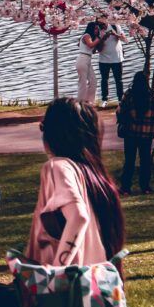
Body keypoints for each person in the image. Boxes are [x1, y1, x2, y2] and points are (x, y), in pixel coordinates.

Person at [27, 97, 125, 268]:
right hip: (94, 284)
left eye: (44, 127)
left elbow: (78, 216)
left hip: (65, 288)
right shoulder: (94, 177)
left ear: (54, 133)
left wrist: (58, 271)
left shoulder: (57, 167)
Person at [116, 71, 154, 195]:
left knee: (129, 160)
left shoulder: (129, 95)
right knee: (145, 160)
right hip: (147, 134)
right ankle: (145, 187)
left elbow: (119, 111)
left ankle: (125, 188)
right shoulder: (153, 96)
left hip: (131, 133)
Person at [96, 19, 126, 107]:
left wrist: (115, 34)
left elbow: (124, 39)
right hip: (104, 59)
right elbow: (98, 49)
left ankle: (120, 99)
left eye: (103, 24)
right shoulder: (98, 30)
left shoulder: (115, 26)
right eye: (100, 25)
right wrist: (103, 38)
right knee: (104, 80)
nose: (103, 27)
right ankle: (104, 100)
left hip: (117, 59)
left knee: (119, 80)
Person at [76, 22, 101, 104]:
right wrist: (99, 39)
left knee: (93, 81)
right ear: (91, 28)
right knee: (82, 82)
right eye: (95, 28)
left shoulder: (90, 37)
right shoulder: (87, 35)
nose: (97, 30)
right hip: (82, 59)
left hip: (88, 59)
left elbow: (92, 50)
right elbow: (90, 45)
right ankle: (80, 102)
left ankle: (89, 101)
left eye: (98, 29)